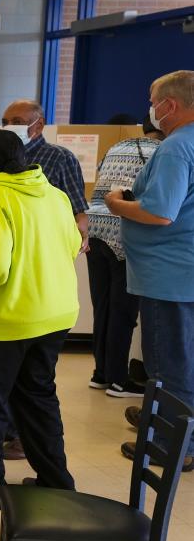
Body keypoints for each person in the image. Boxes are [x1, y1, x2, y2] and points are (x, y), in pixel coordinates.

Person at [0, 130, 82, 509]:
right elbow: (72, 244)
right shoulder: (55, 197)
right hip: (53, 317)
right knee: (38, 398)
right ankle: (56, 482)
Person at [108, 70, 194, 470]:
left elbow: (160, 213)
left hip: (169, 275)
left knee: (169, 365)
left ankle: (172, 447)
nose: (151, 108)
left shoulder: (177, 147)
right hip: (184, 269)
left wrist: (116, 203)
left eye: (153, 99)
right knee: (184, 359)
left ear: (170, 106)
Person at [87, 114, 164, 398]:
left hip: (95, 229)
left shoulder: (115, 147)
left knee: (103, 307)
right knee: (123, 311)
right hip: (124, 232)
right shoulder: (161, 152)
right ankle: (120, 381)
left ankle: (101, 374)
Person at [2, 100, 90, 252]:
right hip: (6, 242)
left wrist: (80, 235)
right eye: (5, 122)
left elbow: (78, 211)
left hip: (44, 246)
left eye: (17, 122)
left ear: (39, 125)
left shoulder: (60, 158)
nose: (9, 127)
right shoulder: (2, 157)